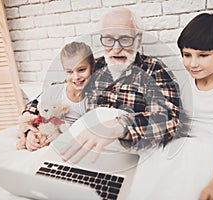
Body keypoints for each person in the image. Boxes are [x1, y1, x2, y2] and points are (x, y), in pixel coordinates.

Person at [128, 13, 213, 200]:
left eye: (203, 55)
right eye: (187, 55)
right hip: (181, 146)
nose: (193, 63)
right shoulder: (179, 82)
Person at [59, 7, 181, 163]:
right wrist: (31, 120)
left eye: (124, 39)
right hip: (93, 154)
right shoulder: (94, 67)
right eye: (109, 39)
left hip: (134, 158)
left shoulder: (154, 70)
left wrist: (121, 126)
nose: (116, 48)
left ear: (139, 39)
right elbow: (60, 91)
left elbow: (170, 121)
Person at [17, 41, 95, 151]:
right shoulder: (54, 91)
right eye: (69, 72)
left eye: (82, 70)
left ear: (92, 67)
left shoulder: (94, 99)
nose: (76, 76)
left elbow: (90, 132)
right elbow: (35, 110)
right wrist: (30, 134)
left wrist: (64, 137)